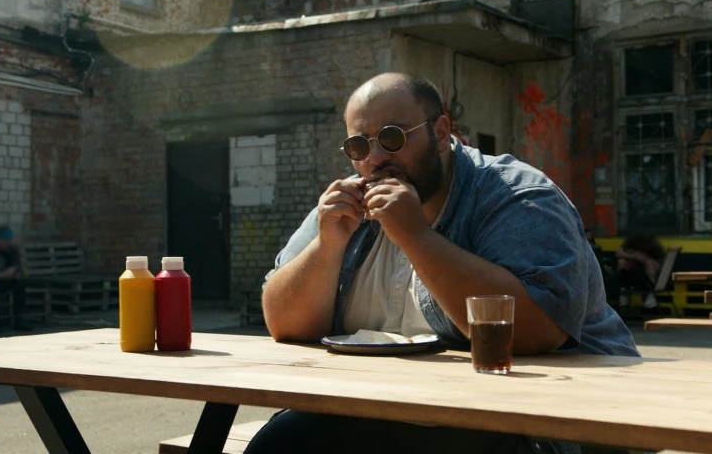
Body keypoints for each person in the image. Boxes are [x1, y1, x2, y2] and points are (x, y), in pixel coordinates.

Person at [252, 73, 639, 454]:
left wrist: (416, 238)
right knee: (278, 443)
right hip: (385, 410)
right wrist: (326, 245)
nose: (376, 159)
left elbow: (537, 332)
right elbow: (285, 324)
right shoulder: (344, 209)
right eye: (358, 145)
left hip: (539, 417)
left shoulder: (517, 195)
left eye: (392, 137)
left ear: (439, 133)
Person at [616, 232, 665, 309]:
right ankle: (624, 290)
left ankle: (650, 293)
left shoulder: (653, 247)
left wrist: (643, 259)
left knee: (649, 263)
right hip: (635, 273)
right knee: (622, 261)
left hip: (652, 275)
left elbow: (656, 262)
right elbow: (618, 253)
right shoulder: (632, 241)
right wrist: (634, 256)